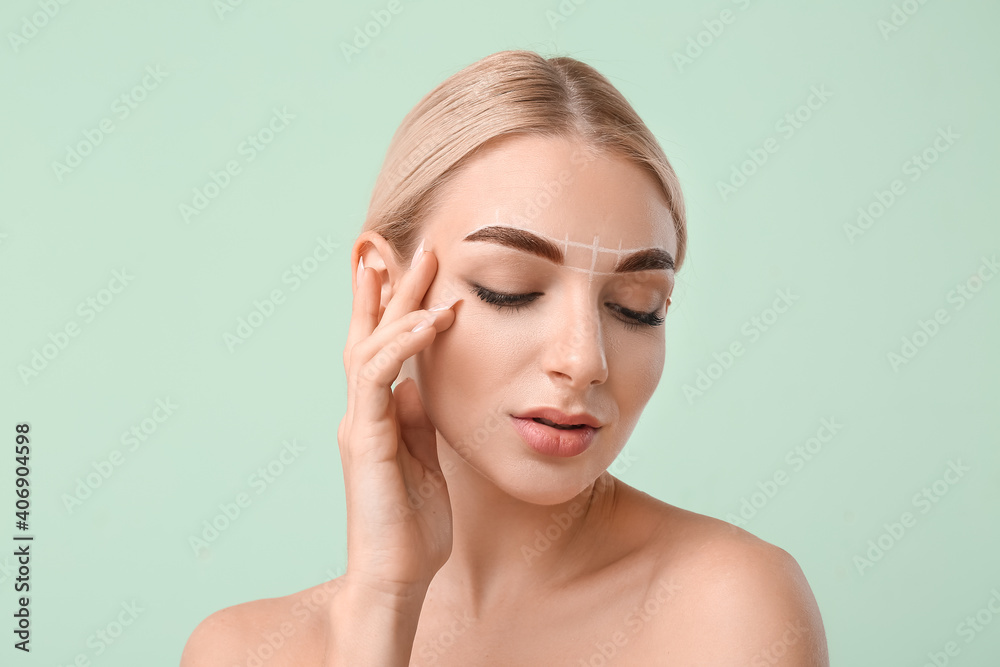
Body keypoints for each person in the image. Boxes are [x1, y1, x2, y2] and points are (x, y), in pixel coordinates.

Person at [181, 49, 829, 666]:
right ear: (383, 290)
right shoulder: (239, 651)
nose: (583, 360)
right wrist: (383, 602)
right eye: (510, 289)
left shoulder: (729, 605)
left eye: (637, 305)